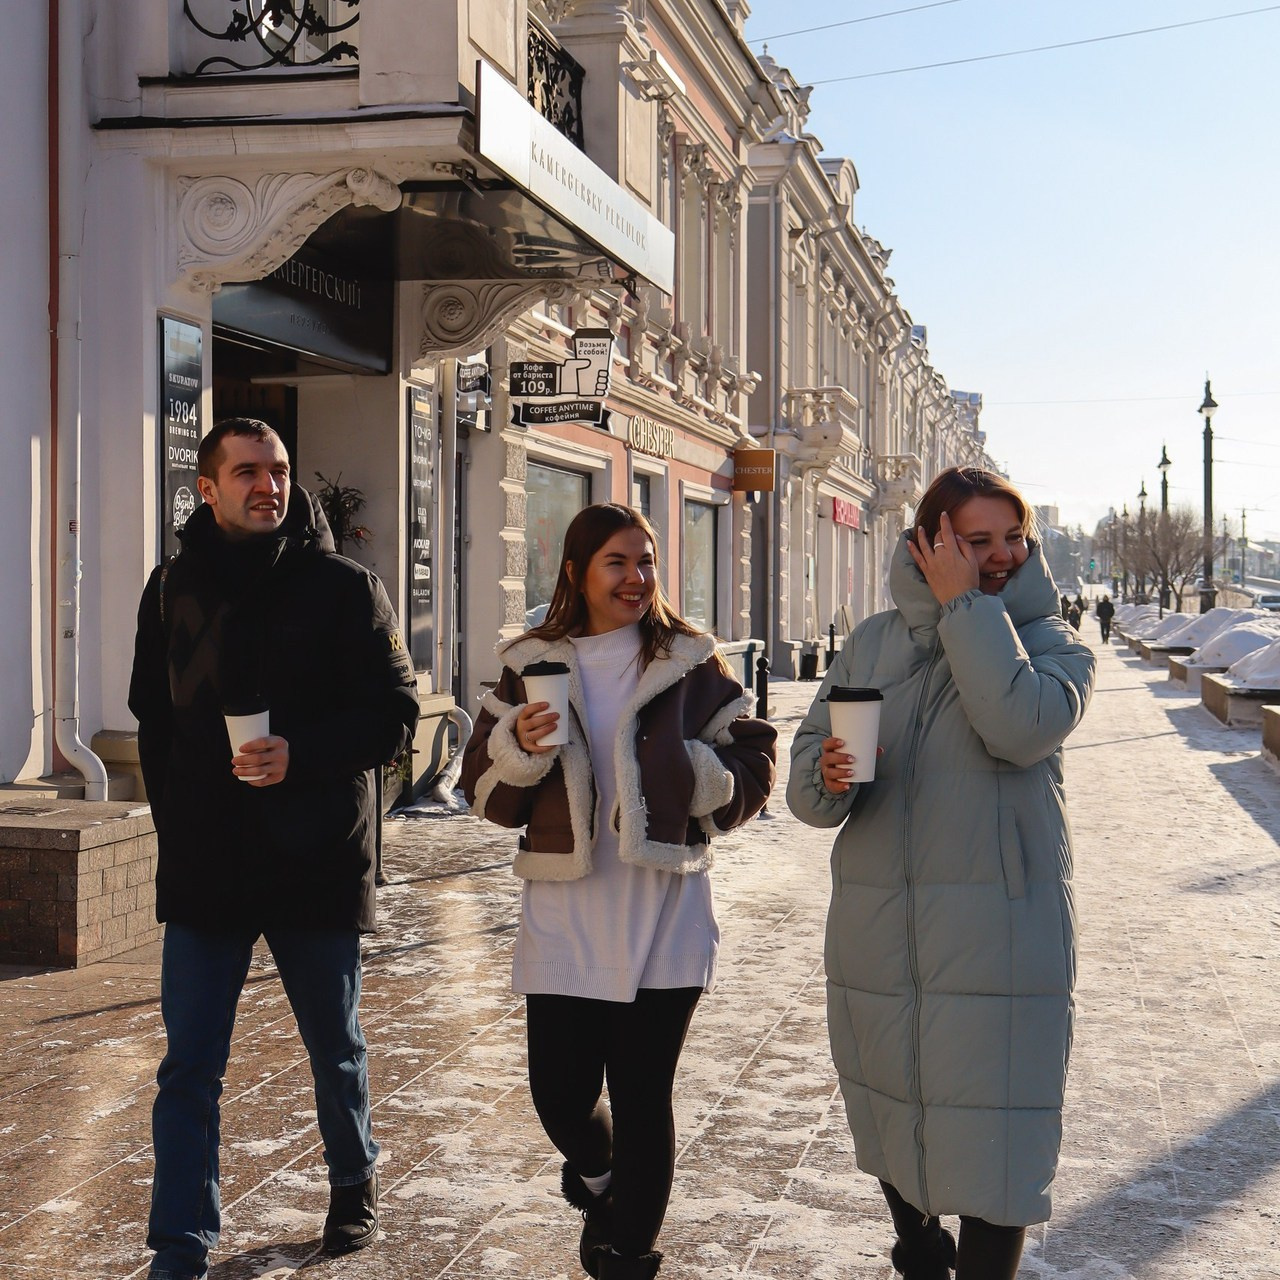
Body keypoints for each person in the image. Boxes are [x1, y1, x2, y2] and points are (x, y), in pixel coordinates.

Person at [787, 466, 1095, 1280]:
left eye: (1012, 538)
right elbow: (808, 793)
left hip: (1003, 938)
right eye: (975, 540)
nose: (1000, 556)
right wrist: (829, 773)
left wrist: (966, 609)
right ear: (929, 543)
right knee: (893, 1112)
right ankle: (919, 1248)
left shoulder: (1055, 645)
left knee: (1001, 1154)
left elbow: (1018, 726)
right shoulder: (873, 643)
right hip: (880, 934)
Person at [129, 418, 420, 1280]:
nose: (270, 485)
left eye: (280, 470)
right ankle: (180, 1243)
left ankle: (354, 1178)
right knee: (189, 1065)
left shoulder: (345, 586)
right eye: (248, 472)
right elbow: (154, 722)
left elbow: (396, 714)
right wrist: (178, 822)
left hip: (316, 854)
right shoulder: (169, 588)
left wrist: (302, 753)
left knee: (335, 1045)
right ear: (206, 489)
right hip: (207, 863)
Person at [460, 503, 776, 1280]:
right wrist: (518, 748)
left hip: (662, 913)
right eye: (618, 562)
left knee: (641, 1097)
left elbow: (754, 762)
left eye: (647, 561)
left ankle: (628, 1254)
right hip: (564, 914)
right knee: (559, 1098)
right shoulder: (533, 662)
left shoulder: (689, 663)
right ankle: (603, 1183)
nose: (637, 578)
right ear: (576, 572)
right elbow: (483, 790)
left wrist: (701, 776)